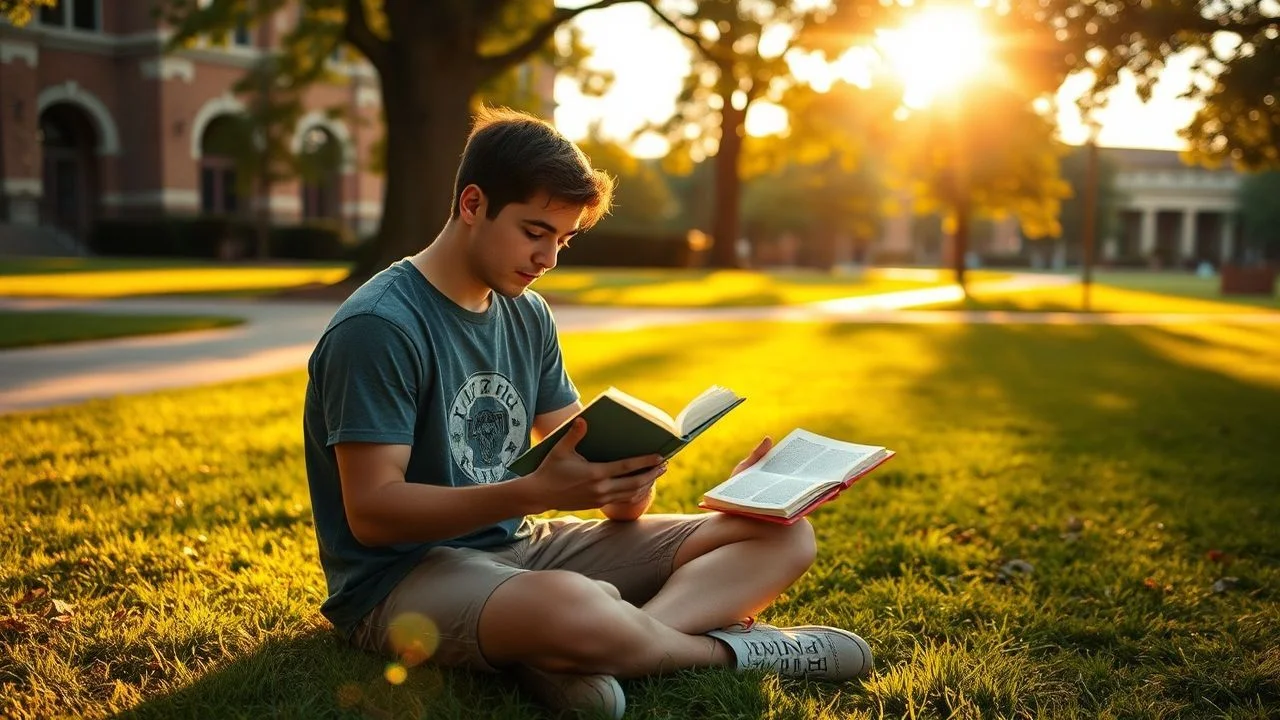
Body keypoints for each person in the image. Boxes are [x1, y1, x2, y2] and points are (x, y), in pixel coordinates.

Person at [302, 107, 873, 719]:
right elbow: (373, 514)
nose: (548, 257)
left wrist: (654, 482)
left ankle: (584, 651)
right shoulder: (380, 326)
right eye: (534, 231)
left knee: (782, 537)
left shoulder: (526, 314)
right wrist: (535, 492)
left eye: (563, 239)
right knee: (570, 606)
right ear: (472, 204)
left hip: (522, 550)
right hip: (402, 581)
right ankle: (727, 652)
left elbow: (604, 487)